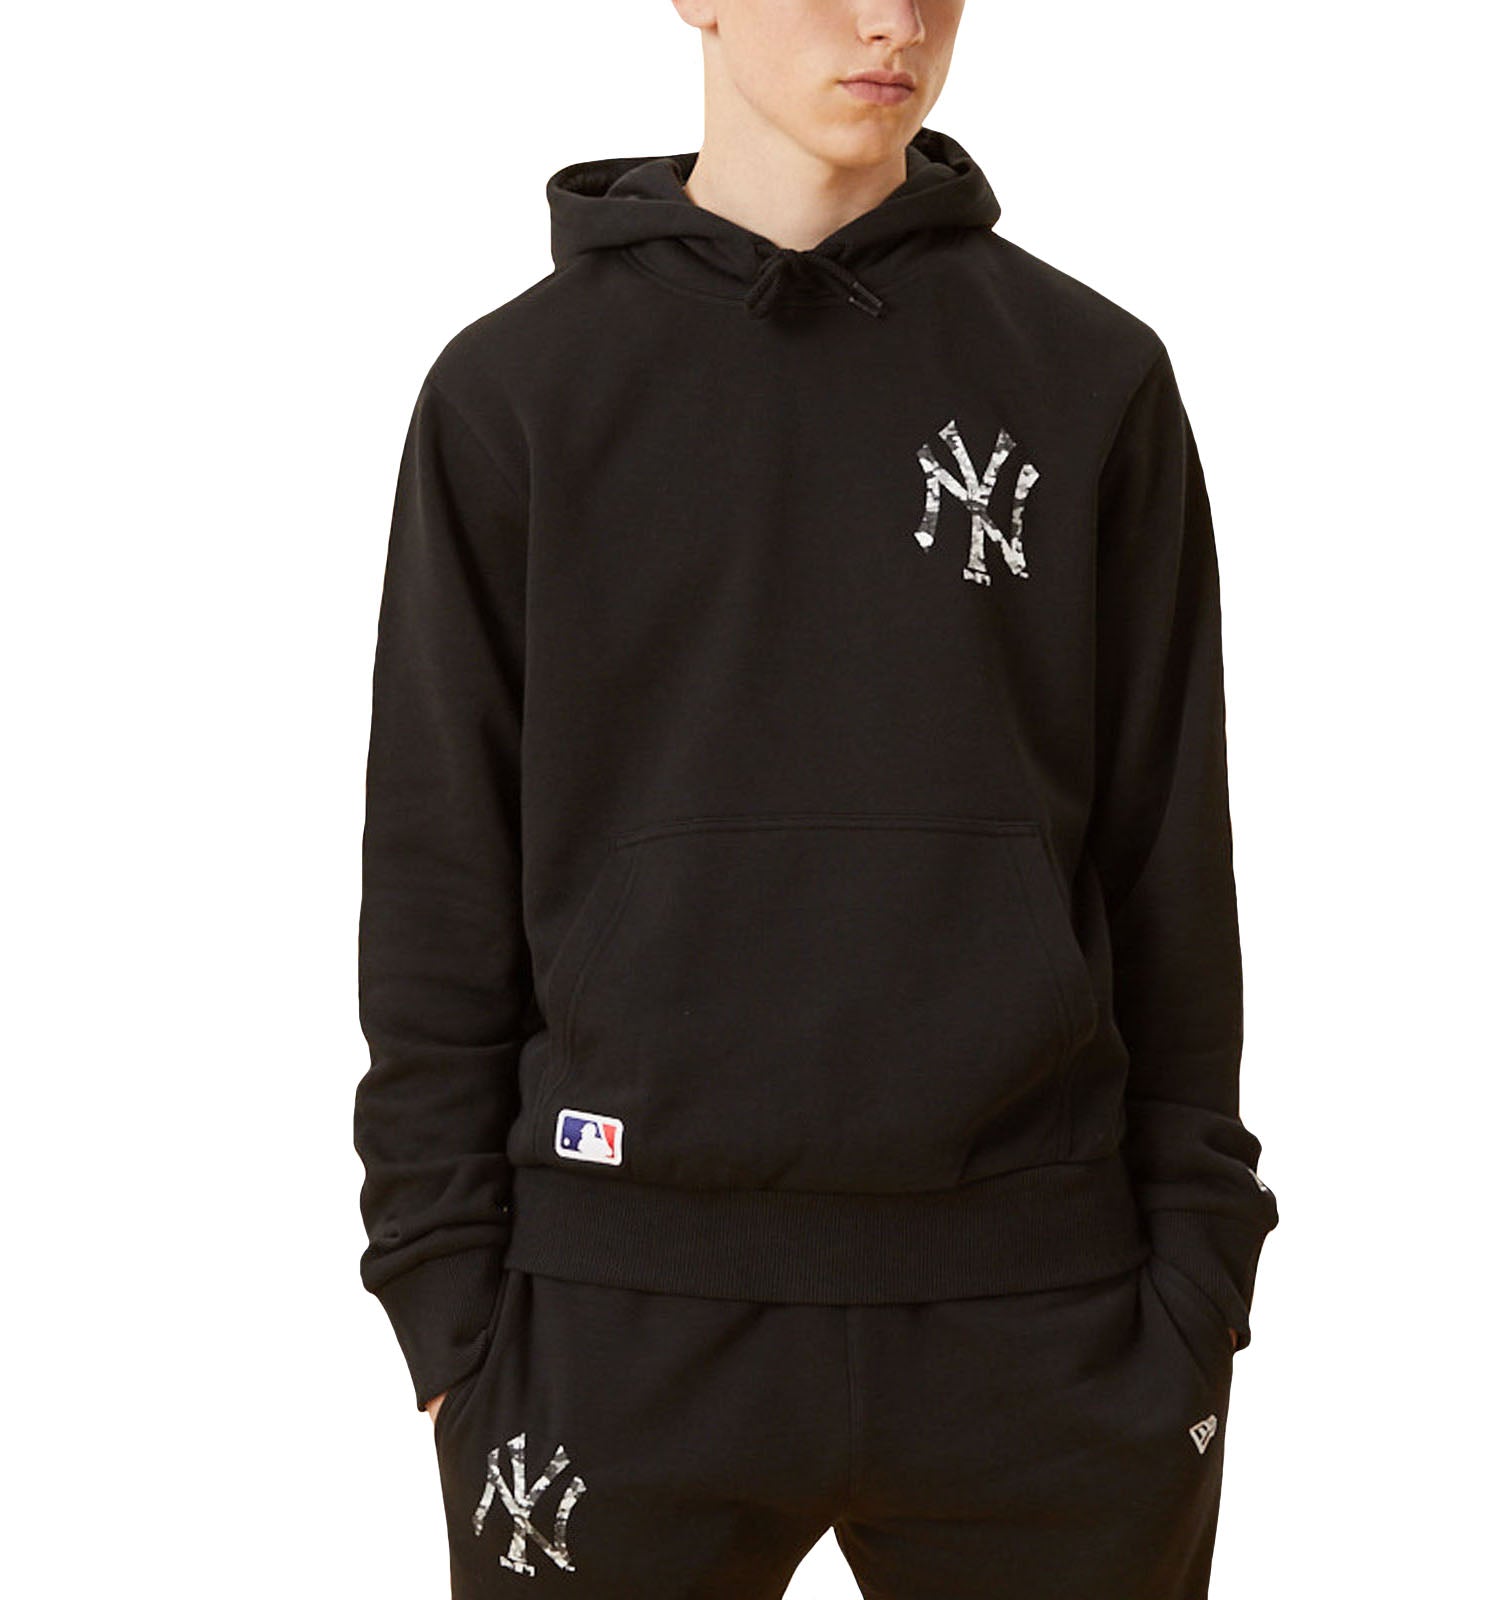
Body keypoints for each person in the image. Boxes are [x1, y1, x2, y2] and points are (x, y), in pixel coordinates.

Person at [353, 2, 1280, 1594]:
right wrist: (446, 1306)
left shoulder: (1090, 375)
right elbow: (439, 869)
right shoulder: (515, 391)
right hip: (610, 1325)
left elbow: (1168, 863)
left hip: (1047, 1329)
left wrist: (1200, 1287)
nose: (893, 21)